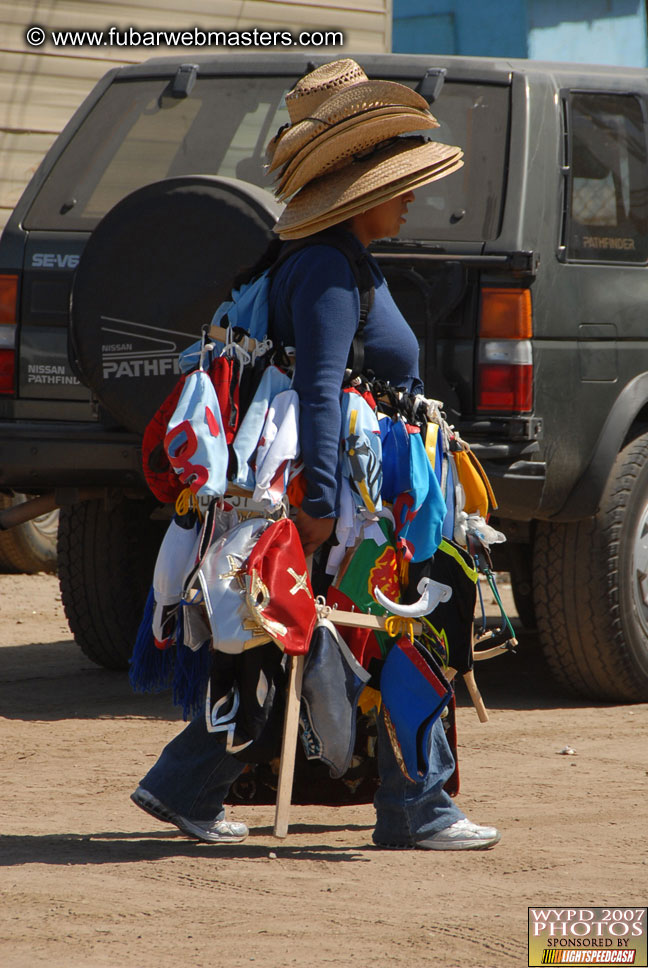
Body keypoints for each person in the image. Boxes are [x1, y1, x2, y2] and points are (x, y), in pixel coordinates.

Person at [131, 59, 501, 851]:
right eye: (399, 177)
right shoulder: (330, 271)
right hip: (354, 502)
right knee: (405, 632)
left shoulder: (327, 261)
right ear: (358, 184)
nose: (413, 192)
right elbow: (322, 392)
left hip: (359, 493)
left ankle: (184, 784)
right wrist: (323, 510)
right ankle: (418, 810)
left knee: (296, 639)